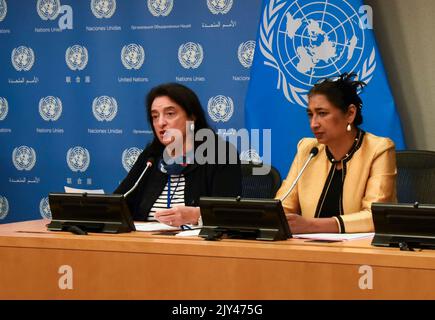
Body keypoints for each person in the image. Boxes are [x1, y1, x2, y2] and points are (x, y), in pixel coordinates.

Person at [275, 73, 397, 234]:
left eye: (322, 113)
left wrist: (312, 226)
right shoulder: (307, 149)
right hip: (308, 249)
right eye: (310, 114)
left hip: (362, 252)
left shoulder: (378, 149)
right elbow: (282, 206)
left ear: (350, 114)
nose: (314, 124)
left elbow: (374, 216)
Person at [115, 83, 241, 227]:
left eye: (170, 114)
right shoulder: (150, 158)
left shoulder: (220, 154)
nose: (160, 123)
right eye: (155, 116)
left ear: (192, 117)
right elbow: (118, 205)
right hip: (145, 245)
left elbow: (229, 215)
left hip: (198, 247)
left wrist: (197, 216)